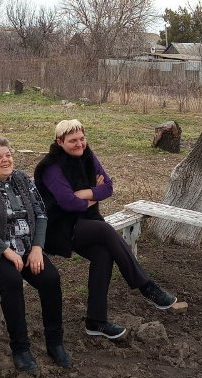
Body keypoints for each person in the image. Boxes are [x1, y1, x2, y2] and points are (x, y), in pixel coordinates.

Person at [34, 119, 177, 340]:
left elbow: (108, 187)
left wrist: (83, 194)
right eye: (72, 141)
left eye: (82, 138)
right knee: (106, 231)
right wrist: (93, 192)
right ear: (59, 141)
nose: (79, 144)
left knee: (104, 254)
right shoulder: (51, 167)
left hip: (87, 221)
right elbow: (67, 204)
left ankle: (95, 321)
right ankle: (146, 286)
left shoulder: (88, 156)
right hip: (59, 227)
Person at [0, 137, 70, 373]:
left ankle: (55, 342)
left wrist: (37, 248)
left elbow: (41, 214)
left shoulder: (22, 179)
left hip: (26, 248)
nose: (6, 159)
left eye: (8, 154)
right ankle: (20, 348)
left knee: (51, 279)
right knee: (12, 282)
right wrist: (6, 252)